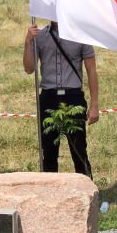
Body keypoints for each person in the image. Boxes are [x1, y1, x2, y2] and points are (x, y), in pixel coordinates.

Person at [23, 21, 99, 177]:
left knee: (78, 150)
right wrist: (28, 41)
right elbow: (29, 68)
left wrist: (94, 105)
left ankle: (87, 190)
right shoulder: (41, 36)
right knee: (48, 151)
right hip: (48, 98)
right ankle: (49, 192)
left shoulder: (80, 34)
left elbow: (91, 70)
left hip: (73, 97)